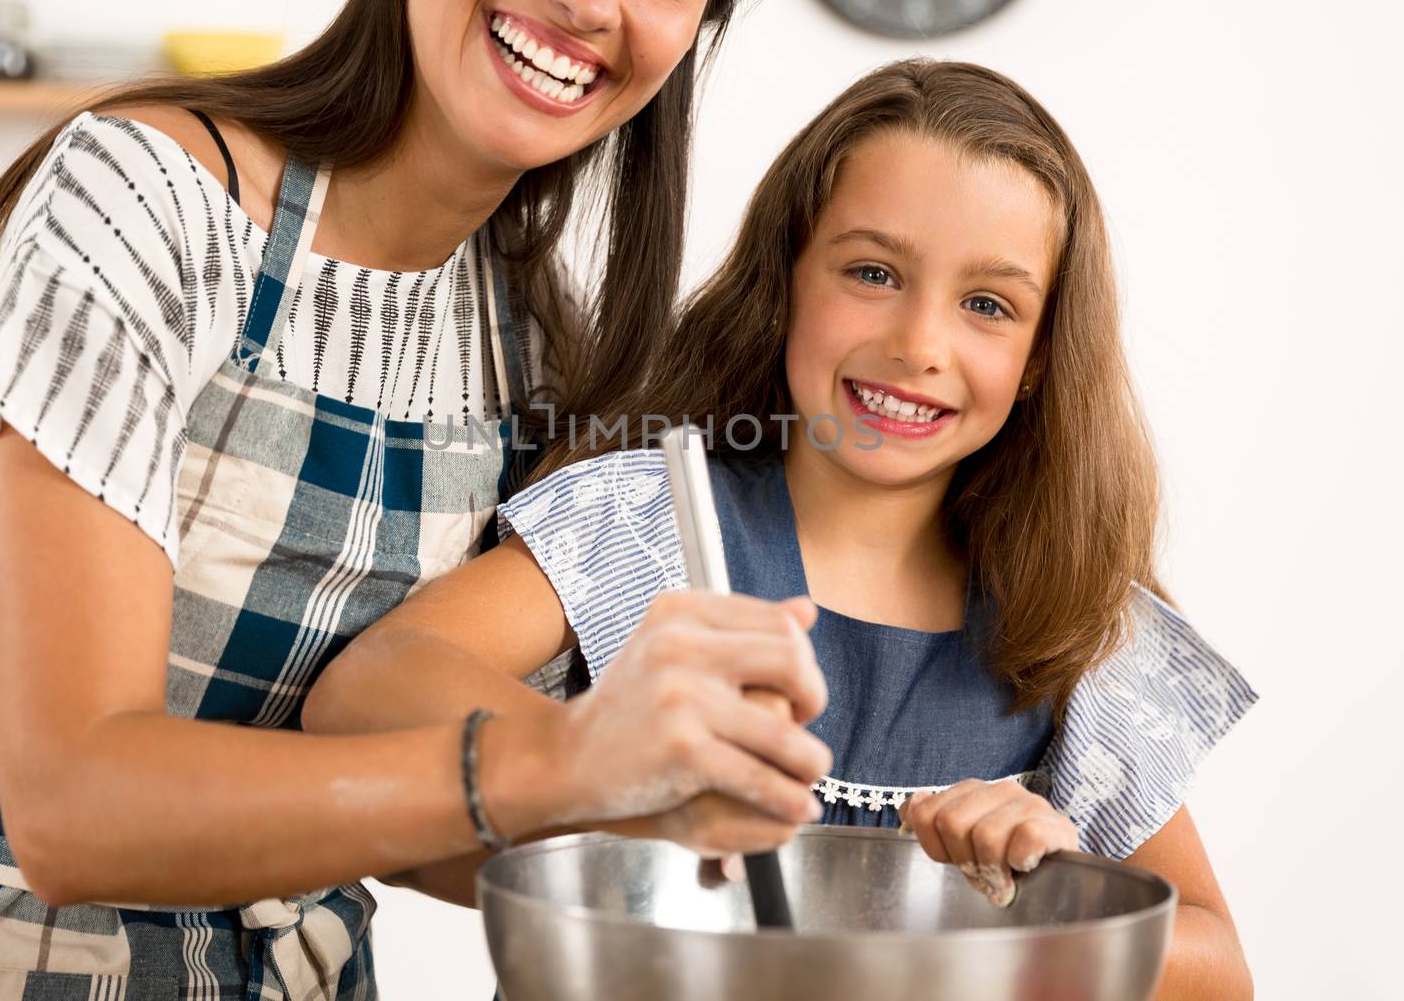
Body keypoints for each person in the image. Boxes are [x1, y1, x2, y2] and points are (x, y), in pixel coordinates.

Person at [0, 0, 831, 996]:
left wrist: (708, 830)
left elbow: (423, 822)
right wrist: (556, 757)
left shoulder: (532, 339)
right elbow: (74, 807)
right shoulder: (152, 199)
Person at [304, 60, 1259, 997]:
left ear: (1042, 358)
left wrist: (1053, 902)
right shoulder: (647, 525)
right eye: (874, 272)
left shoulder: (1068, 621)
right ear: (788, 278)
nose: (919, 345)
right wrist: (615, 774)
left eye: (986, 305)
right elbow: (369, 688)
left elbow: (1220, 974)